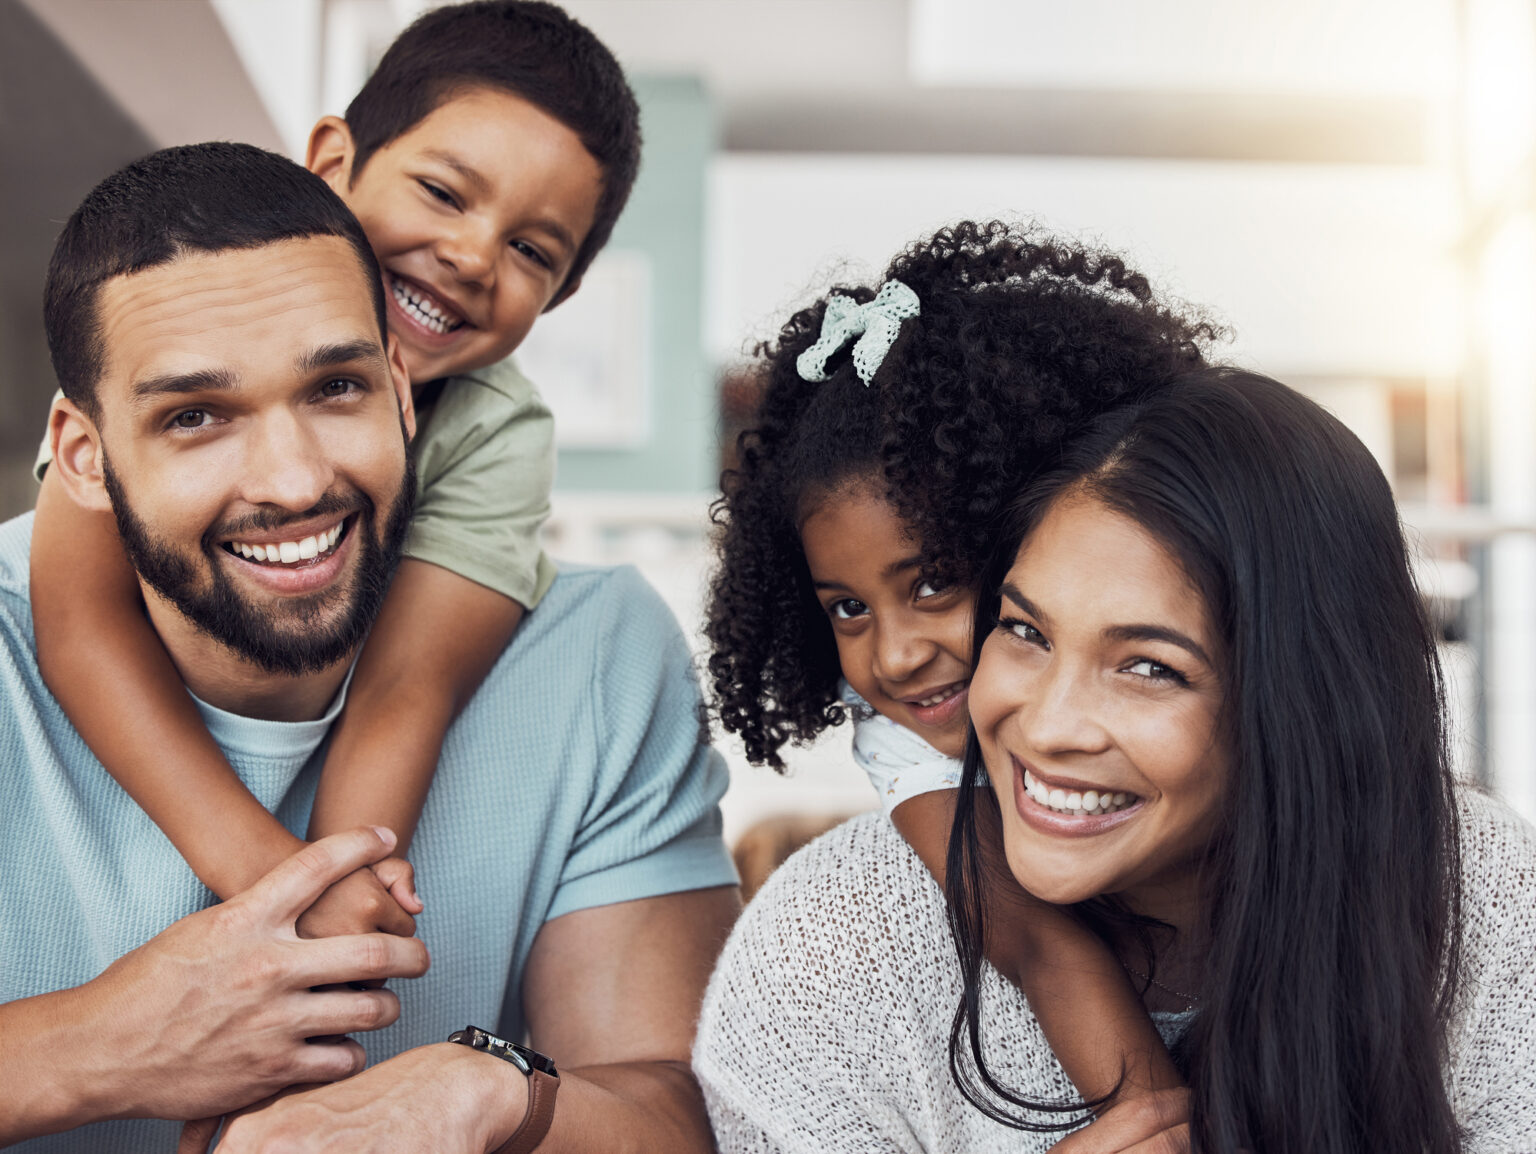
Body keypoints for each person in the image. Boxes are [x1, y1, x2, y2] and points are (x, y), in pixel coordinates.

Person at [0, 142, 737, 1153]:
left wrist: (481, 1093)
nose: (295, 481)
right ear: (84, 458)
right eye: (196, 416)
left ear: (399, 386)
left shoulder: (597, 656)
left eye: (335, 388)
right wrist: (103, 1045)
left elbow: (692, 1118)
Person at [696, 362, 1536, 1151]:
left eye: (1149, 667)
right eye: (1024, 631)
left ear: (1306, 693)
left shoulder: (1485, 898)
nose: (1049, 728)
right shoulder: (827, 959)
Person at [28, 0, 639, 939]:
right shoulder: (171, 320)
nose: (472, 257)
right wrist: (278, 890)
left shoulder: (500, 434)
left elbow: (406, 688)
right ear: (333, 162)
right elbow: (80, 627)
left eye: (530, 250)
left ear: (564, 292)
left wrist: (344, 895)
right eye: (443, 193)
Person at [700, 222, 1217, 1118]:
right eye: (848, 609)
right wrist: (1158, 1125)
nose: (895, 655)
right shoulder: (906, 753)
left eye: (934, 583)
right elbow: (1045, 948)